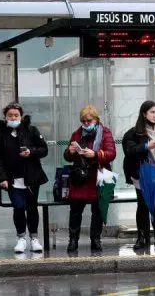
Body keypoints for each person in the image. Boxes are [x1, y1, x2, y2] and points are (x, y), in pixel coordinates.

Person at [0, 102, 49, 253]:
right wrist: (2, 178)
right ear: (5, 117)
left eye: (16, 115)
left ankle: (34, 238)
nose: (13, 118)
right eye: (10, 115)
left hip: (31, 177)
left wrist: (31, 151)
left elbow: (44, 149)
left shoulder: (31, 130)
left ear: (21, 116)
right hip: (12, 179)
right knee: (18, 207)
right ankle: (21, 238)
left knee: (32, 208)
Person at [123, 101, 155, 250]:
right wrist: (146, 146)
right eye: (152, 112)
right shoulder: (133, 133)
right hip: (142, 174)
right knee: (143, 205)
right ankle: (142, 237)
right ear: (144, 113)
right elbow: (129, 151)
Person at [63, 105, 116, 252]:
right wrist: (70, 151)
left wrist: (95, 154)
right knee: (75, 210)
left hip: (100, 175)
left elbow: (111, 153)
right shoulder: (77, 134)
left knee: (98, 210)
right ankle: (73, 240)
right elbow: (67, 156)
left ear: (96, 119)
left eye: (89, 120)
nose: (86, 124)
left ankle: (96, 239)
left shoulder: (105, 133)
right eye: (83, 121)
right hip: (80, 176)